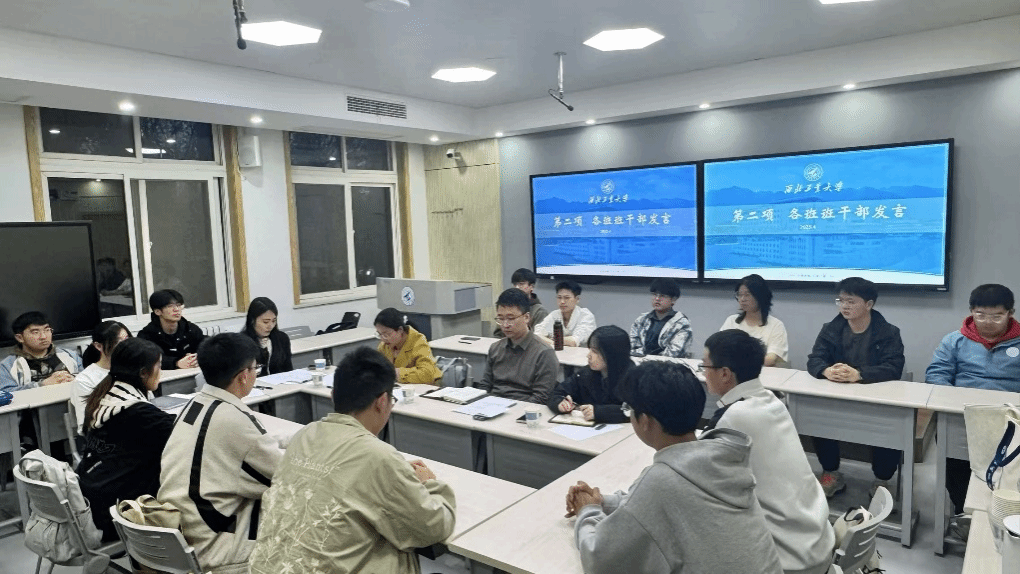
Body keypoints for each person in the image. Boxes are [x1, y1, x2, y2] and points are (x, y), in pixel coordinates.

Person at [249, 347, 456, 574]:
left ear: (332, 396)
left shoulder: (305, 435)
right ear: (382, 401)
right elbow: (433, 528)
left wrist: (396, 474)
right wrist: (430, 485)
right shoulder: (379, 457)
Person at [564, 360, 783, 574]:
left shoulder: (660, 481)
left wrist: (588, 510)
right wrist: (603, 502)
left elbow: (599, 558)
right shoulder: (720, 456)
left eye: (629, 409)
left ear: (645, 421)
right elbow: (665, 505)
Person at [702, 330, 834, 574]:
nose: (703, 373)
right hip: (818, 540)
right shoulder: (773, 401)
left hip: (790, 559)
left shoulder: (734, 416)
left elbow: (699, 475)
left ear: (724, 374)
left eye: (705, 366)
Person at [158, 333, 284, 574]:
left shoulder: (195, 405)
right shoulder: (234, 420)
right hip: (212, 546)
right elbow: (284, 475)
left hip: (181, 529)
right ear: (244, 375)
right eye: (255, 368)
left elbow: (247, 446)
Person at [926, 284, 1020, 526]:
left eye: (996, 316)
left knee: (1010, 473)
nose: (988, 322)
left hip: (1009, 418)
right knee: (955, 463)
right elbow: (937, 373)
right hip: (963, 416)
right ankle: (963, 512)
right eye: (980, 315)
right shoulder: (955, 340)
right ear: (971, 312)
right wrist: (952, 400)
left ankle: (1005, 513)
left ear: (1010, 313)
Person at [806, 277, 905, 498]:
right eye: (840, 301)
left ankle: (882, 479)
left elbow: (893, 367)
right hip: (836, 397)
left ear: (869, 304)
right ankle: (830, 472)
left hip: (876, 399)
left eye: (851, 301)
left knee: (890, 422)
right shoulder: (830, 329)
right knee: (819, 416)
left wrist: (859, 374)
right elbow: (814, 359)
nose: (844, 306)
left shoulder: (888, 332)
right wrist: (826, 371)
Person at [77, 338, 172, 540]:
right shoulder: (138, 413)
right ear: (143, 373)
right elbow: (182, 434)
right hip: (118, 511)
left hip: (93, 496)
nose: (161, 372)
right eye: (159, 366)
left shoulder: (105, 394)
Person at [478, 288, 560, 403]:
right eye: (501, 319)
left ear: (526, 317)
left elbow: (540, 398)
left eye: (511, 318)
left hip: (523, 408)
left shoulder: (544, 353)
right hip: (493, 404)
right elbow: (485, 386)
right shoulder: (495, 348)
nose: (505, 325)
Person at [548, 325, 632, 424]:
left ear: (612, 355)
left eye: (595, 352)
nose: (588, 355)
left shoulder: (633, 377)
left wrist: (598, 412)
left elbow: (634, 410)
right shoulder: (586, 373)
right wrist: (560, 403)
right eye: (590, 350)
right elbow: (556, 393)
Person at [71, 321, 131, 433]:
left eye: (127, 339)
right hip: (109, 435)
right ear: (99, 346)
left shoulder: (134, 368)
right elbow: (87, 426)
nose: (126, 346)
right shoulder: (84, 380)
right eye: (118, 342)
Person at [0, 311, 82, 393]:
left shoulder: (70, 355)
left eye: (47, 330)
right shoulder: (7, 366)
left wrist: (74, 378)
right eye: (35, 332)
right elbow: (5, 393)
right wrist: (41, 385)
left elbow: (86, 377)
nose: (43, 336)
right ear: (20, 338)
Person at [719, 274, 789, 367]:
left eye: (747, 295)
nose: (742, 299)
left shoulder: (776, 325)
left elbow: (770, 360)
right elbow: (718, 350)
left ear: (760, 296)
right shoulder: (731, 321)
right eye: (739, 295)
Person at [137, 289, 205, 370]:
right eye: (170, 306)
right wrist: (176, 363)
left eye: (178, 305)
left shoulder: (190, 329)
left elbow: (205, 346)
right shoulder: (147, 335)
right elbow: (147, 359)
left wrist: (196, 357)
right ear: (158, 311)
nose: (176, 309)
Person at [375, 308, 442, 385]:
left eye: (387, 334)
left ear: (400, 330)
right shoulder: (384, 346)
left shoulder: (418, 342)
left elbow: (427, 375)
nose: (383, 339)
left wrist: (397, 373)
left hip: (426, 387)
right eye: (379, 334)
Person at [629, 278, 692, 358]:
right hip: (641, 363)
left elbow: (674, 353)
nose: (657, 299)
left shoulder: (682, 324)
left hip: (669, 364)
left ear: (673, 300)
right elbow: (633, 347)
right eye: (654, 294)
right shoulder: (641, 320)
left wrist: (648, 359)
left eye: (662, 296)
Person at [535, 280, 597, 347]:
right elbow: (537, 335)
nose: (562, 302)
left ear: (577, 299)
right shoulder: (554, 314)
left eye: (567, 298)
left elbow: (574, 341)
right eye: (559, 297)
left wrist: (550, 341)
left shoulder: (586, 315)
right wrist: (554, 342)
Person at [240, 297, 293, 376]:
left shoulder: (282, 338)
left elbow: (288, 369)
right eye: (265, 322)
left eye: (274, 321)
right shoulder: (242, 342)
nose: (270, 326)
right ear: (252, 320)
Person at [494, 268, 549, 337]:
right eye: (515, 284)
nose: (517, 287)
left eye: (521, 284)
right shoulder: (506, 306)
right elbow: (498, 334)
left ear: (531, 287)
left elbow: (539, 337)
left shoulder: (539, 311)